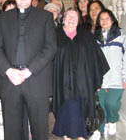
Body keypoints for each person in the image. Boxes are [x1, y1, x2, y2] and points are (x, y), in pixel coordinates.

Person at [0, 0, 57, 140]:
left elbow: (50, 48)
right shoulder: (2, 19)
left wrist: (29, 70)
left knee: (40, 132)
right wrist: (8, 70)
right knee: (12, 133)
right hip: (10, 82)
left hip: (36, 81)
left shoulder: (45, 17)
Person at [52, 8, 109, 140]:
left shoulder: (86, 36)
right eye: (68, 16)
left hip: (83, 81)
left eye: (75, 17)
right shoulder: (55, 35)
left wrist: (97, 81)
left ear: (78, 21)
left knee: (80, 108)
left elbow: (96, 59)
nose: (71, 19)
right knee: (67, 108)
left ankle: (80, 136)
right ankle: (69, 136)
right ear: (63, 19)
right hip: (62, 81)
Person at [90, 9, 126, 140]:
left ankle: (112, 120)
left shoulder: (121, 36)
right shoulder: (95, 39)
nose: (104, 21)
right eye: (101, 19)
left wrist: (124, 77)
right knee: (100, 106)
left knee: (112, 104)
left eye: (107, 18)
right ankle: (99, 130)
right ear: (99, 22)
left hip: (116, 79)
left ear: (112, 20)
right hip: (101, 80)